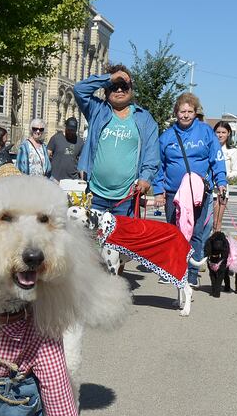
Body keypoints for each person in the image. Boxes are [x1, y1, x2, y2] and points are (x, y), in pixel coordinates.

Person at [153, 93, 228, 287]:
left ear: (195, 113)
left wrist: (221, 181)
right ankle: (171, 269)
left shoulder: (205, 132)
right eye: (181, 111)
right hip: (173, 193)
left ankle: (192, 272)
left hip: (198, 193)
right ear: (176, 113)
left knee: (195, 233)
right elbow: (158, 165)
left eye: (189, 111)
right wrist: (158, 190)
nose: (185, 115)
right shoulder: (167, 136)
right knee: (173, 231)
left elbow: (216, 159)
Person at [74, 63, 159, 217]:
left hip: (127, 198)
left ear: (131, 89)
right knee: (92, 240)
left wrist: (145, 179)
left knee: (123, 241)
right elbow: (79, 89)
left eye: (124, 86)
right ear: (106, 90)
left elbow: (151, 155)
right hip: (95, 195)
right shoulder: (96, 110)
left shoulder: (144, 118)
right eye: (114, 86)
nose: (119, 90)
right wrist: (109, 78)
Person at [47, 116, 83, 182]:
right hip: (55, 179)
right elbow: (47, 155)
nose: (70, 132)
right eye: (69, 130)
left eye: (73, 131)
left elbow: (82, 162)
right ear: (65, 127)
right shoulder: (56, 138)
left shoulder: (80, 142)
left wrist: (83, 180)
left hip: (73, 180)